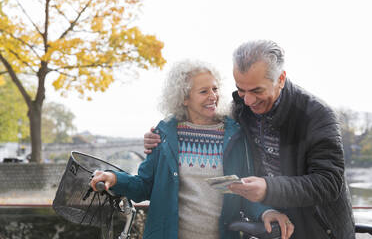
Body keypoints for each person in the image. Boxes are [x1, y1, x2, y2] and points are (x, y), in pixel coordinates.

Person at [144, 41, 355, 239]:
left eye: (256, 91)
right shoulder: (240, 108)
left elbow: (329, 183)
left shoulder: (317, 115)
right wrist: (158, 139)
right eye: (240, 89)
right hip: (267, 225)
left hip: (316, 231)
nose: (248, 100)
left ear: (280, 79)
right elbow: (202, 124)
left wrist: (268, 188)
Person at [90, 59, 294, 239]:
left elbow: (245, 190)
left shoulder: (235, 135)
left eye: (215, 89)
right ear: (184, 98)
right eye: (204, 91)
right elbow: (144, 186)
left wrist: (266, 213)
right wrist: (115, 178)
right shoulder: (164, 134)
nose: (213, 96)